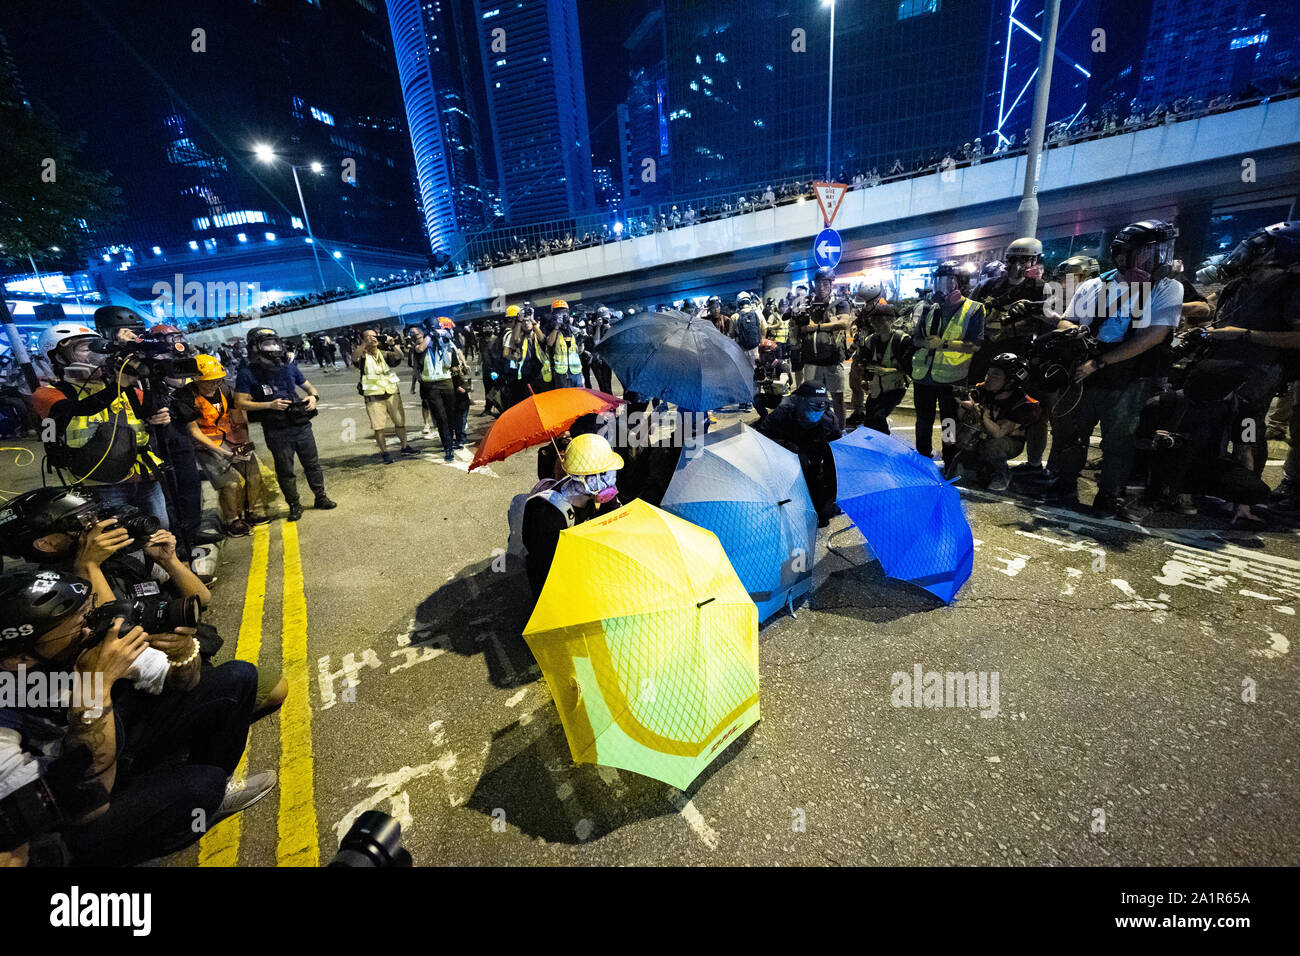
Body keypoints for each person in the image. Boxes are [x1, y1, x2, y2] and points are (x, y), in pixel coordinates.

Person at [0, 569, 276, 867]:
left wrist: (182, 652)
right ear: (20, 659)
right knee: (200, 787)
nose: (90, 626)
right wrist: (96, 686)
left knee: (238, 677)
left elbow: (180, 680)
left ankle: (206, 793)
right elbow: (87, 798)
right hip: (66, 817)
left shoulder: (81, 643)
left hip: (116, 753)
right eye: (78, 623)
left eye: (88, 611)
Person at [1039, 219, 1184, 519]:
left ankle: (1109, 494)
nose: (1158, 259)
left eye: (1161, 252)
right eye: (1150, 252)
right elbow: (1068, 320)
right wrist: (1075, 337)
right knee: (1070, 434)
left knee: (1119, 440)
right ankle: (1065, 482)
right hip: (1083, 373)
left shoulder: (1166, 288)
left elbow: (1153, 337)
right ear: (1123, 255)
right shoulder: (1095, 285)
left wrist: (1100, 362)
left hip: (1127, 376)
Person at [32, 319, 171, 530]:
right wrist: (119, 385)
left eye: (97, 347)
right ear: (58, 356)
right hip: (100, 483)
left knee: (161, 532)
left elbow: (151, 407)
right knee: (120, 542)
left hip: (144, 474)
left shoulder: (121, 386)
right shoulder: (49, 393)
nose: (95, 354)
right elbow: (79, 409)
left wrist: (157, 415)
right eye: (85, 348)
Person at [235, 328, 336, 522]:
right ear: (255, 347)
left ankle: (320, 497)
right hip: (276, 429)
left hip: (300, 424)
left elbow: (309, 386)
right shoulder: (247, 373)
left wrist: (313, 397)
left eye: (274, 343)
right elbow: (240, 402)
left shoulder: (289, 366)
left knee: (312, 464)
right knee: (285, 470)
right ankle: (294, 505)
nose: (272, 348)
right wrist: (268, 405)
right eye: (266, 344)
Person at [171, 354, 265, 537]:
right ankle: (233, 521)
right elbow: (194, 431)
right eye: (209, 382)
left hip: (232, 438)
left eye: (217, 380)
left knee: (253, 476)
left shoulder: (224, 388)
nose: (214, 385)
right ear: (197, 379)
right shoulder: (186, 396)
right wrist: (221, 452)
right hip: (206, 445)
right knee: (230, 483)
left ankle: (250, 512)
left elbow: (237, 412)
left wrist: (243, 439)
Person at [520, 433, 624, 597]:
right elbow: (546, 564)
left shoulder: (593, 494)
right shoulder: (546, 513)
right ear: (582, 476)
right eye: (604, 474)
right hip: (553, 585)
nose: (609, 480)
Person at [909, 261, 986, 466]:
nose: (942, 286)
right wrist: (923, 342)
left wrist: (943, 344)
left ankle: (950, 459)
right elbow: (915, 338)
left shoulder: (974, 309)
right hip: (923, 376)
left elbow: (975, 344)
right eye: (939, 281)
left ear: (960, 283)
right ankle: (922, 458)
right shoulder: (929, 307)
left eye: (948, 280)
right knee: (923, 421)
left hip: (952, 377)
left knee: (949, 422)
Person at [755, 382, 843, 527]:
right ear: (800, 402)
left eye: (822, 406)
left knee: (822, 516)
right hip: (783, 469)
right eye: (812, 406)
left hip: (813, 469)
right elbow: (760, 441)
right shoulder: (782, 415)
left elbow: (836, 459)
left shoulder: (829, 421)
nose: (816, 412)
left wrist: (832, 497)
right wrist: (789, 449)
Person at [949, 353, 1041, 491]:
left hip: (1006, 442)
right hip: (982, 436)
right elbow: (961, 417)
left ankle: (1002, 475)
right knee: (952, 433)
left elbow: (999, 433)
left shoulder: (1023, 403)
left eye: (995, 375)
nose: (988, 378)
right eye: (988, 373)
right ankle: (978, 466)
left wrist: (979, 411)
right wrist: (963, 405)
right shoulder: (983, 389)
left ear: (1011, 381)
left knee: (992, 446)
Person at [793, 267, 854, 426]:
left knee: (838, 397)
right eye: (818, 283)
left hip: (832, 360)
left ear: (831, 283)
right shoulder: (807, 304)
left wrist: (817, 327)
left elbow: (843, 323)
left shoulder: (840, 302)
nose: (821, 286)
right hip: (811, 360)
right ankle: (815, 428)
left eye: (825, 283)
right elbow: (800, 327)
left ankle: (841, 430)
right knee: (812, 398)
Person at [848, 302, 912, 433]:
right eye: (873, 321)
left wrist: (887, 371)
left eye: (880, 321)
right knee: (869, 420)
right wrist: (864, 379)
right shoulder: (870, 340)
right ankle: (878, 445)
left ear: (891, 320)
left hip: (895, 388)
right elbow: (863, 363)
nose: (876, 324)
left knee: (878, 417)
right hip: (877, 388)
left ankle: (884, 445)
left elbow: (910, 369)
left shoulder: (902, 340)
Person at [353, 329, 414, 464]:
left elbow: (400, 356)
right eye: (369, 336)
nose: (373, 339)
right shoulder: (363, 355)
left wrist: (392, 344)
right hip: (373, 396)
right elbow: (354, 358)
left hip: (391, 392)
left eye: (375, 336)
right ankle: (384, 452)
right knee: (378, 426)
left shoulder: (385, 353)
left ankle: (405, 447)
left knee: (399, 422)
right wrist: (364, 344)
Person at [540, 300, 584, 390]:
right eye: (558, 312)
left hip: (576, 371)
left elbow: (579, 351)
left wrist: (581, 340)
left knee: (578, 397)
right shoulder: (549, 327)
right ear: (553, 314)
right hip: (561, 373)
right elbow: (549, 343)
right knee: (564, 399)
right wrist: (556, 327)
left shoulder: (572, 328)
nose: (562, 315)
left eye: (564, 312)